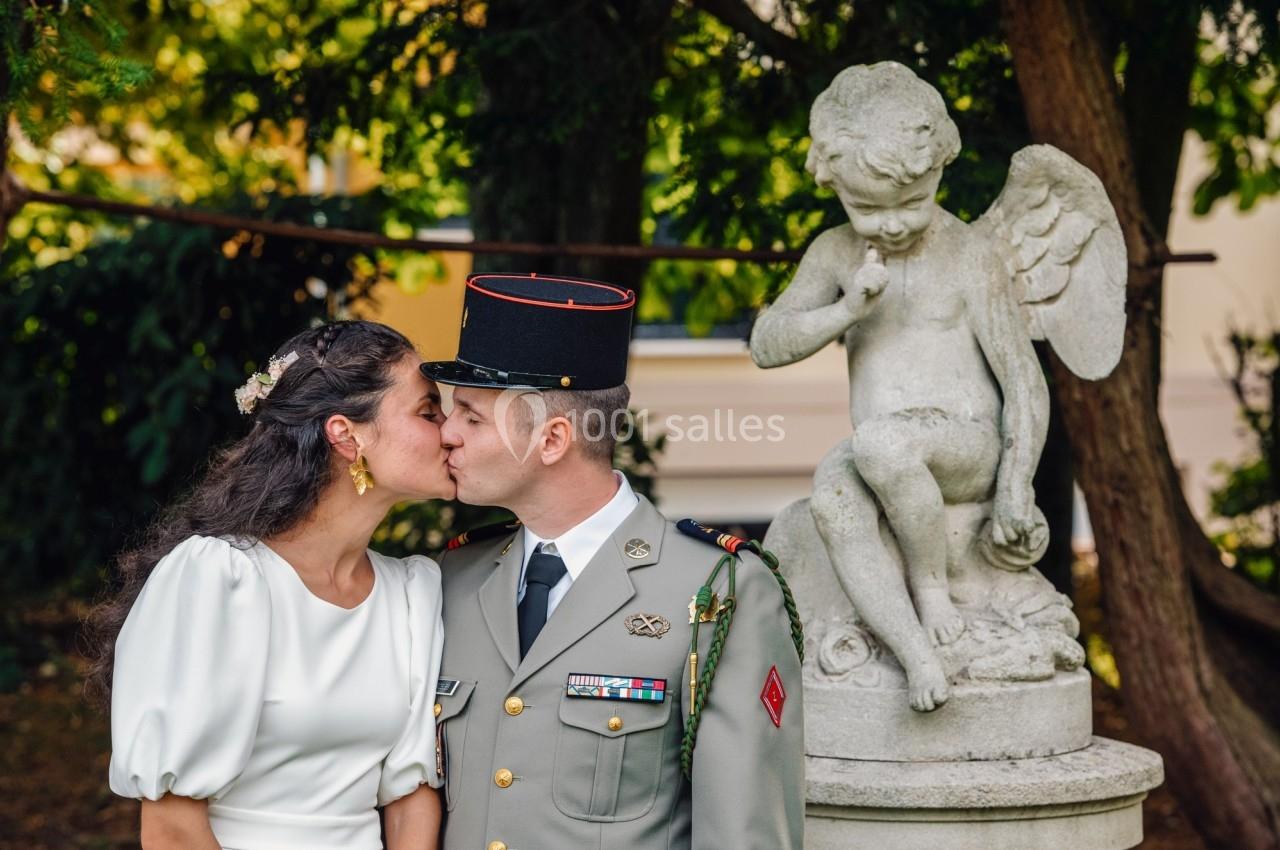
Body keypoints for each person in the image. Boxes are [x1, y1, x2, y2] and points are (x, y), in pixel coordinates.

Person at [422, 273, 805, 850]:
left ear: (551, 441)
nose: (445, 433)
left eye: (472, 418)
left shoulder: (716, 592)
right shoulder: (453, 578)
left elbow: (744, 831)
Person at [88, 320, 452, 850]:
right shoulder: (220, 579)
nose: (451, 429)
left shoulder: (413, 594)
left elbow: (410, 793)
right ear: (347, 435)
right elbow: (172, 829)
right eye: (428, 411)